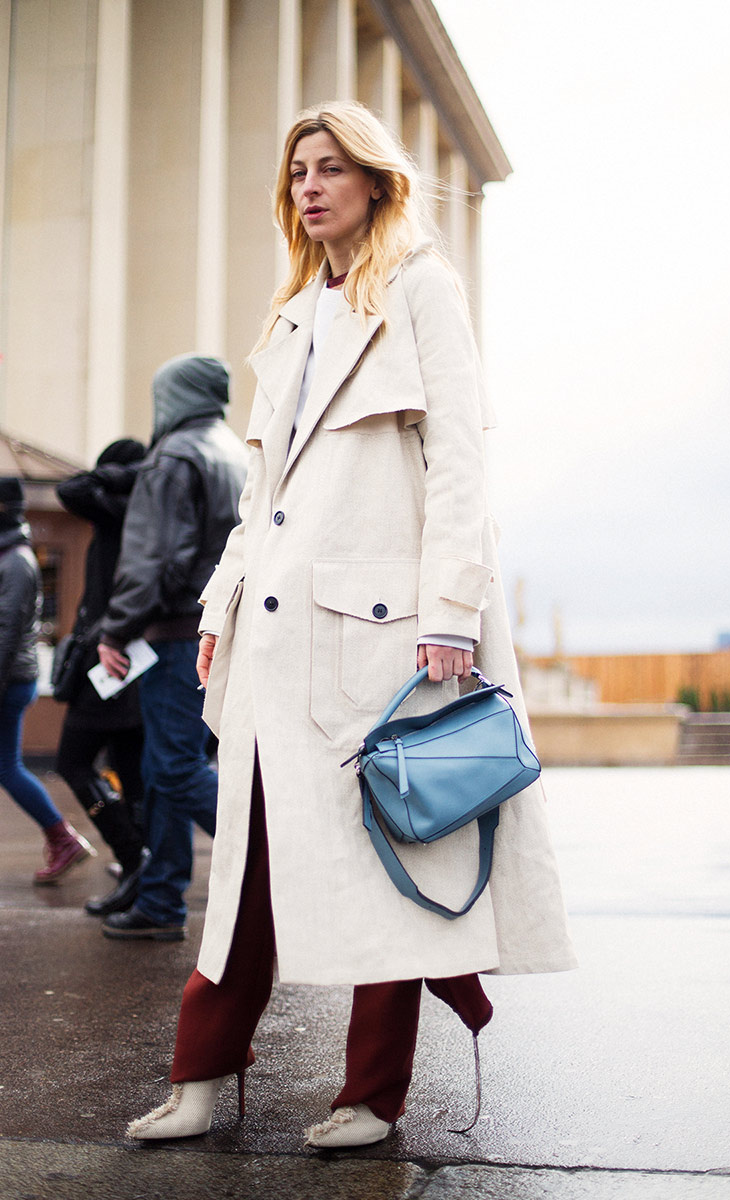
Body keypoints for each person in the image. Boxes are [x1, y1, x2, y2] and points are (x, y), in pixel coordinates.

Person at [126, 101, 576, 1148]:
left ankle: (370, 1094)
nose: (311, 186)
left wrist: (451, 614)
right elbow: (261, 493)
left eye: (331, 167)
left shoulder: (422, 287)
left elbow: (459, 460)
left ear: (375, 179)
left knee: (388, 860)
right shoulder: (289, 314)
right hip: (271, 641)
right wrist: (218, 604)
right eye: (297, 173)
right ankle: (201, 1074)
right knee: (247, 872)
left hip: (382, 633)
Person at [96, 356, 248, 941]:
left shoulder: (173, 457)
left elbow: (157, 557)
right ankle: (160, 901)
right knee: (168, 768)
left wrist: (116, 628)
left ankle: (275, 868)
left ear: (172, 396)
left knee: (176, 769)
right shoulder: (230, 449)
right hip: (216, 631)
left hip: (179, 633)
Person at [55, 439, 150, 918]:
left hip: (107, 664)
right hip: (130, 662)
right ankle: (143, 866)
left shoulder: (118, 510)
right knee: (132, 770)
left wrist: (121, 473)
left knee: (72, 761)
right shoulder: (146, 512)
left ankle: (134, 856)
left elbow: (70, 490)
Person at [0, 476, 96, 883]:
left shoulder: (16, 561)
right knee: (6, 766)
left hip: (8, 680)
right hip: (10, 678)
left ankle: (62, 837)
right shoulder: (9, 556)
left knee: (8, 767)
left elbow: (5, 629)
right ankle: (61, 837)